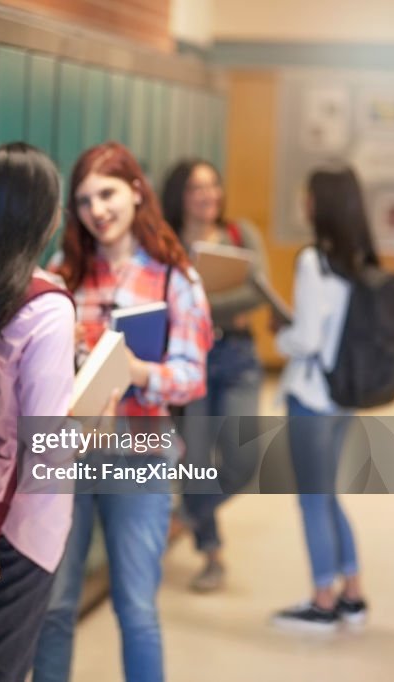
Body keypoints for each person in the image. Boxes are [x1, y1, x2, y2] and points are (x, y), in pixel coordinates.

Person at [32, 142, 213, 682]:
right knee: (56, 608)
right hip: (69, 455)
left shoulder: (173, 278)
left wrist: (135, 370)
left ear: (137, 191)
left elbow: (191, 378)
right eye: (85, 200)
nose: (97, 211)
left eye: (107, 194)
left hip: (140, 457)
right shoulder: (64, 274)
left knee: (136, 608)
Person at [0, 143, 76, 681]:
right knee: (0, 668)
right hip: (22, 524)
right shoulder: (47, 308)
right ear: (45, 216)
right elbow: (47, 438)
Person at [270, 165, 371, 632]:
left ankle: (323, 601)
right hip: (344, 394)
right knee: (328, 494)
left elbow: (307, 339)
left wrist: (281, 336)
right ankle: (352, 593)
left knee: (312, 498)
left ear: (319, 203)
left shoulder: (315, 260)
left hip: (311, 396)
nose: (302, 201)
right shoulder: (360, 257)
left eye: (306, 194)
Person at [161, 159, 269, 592]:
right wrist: (220, 300)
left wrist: (197, 302)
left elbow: (257, 290)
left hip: (238, 357)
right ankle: (212, 556)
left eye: (213, 185)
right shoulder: (166, 243)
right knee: (198, 464)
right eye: (196, 188)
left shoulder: (241, 233)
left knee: (244, 461)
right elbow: (169, 304)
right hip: (193, 359)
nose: (209, 195)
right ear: (179, 197)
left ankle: (186, 516)